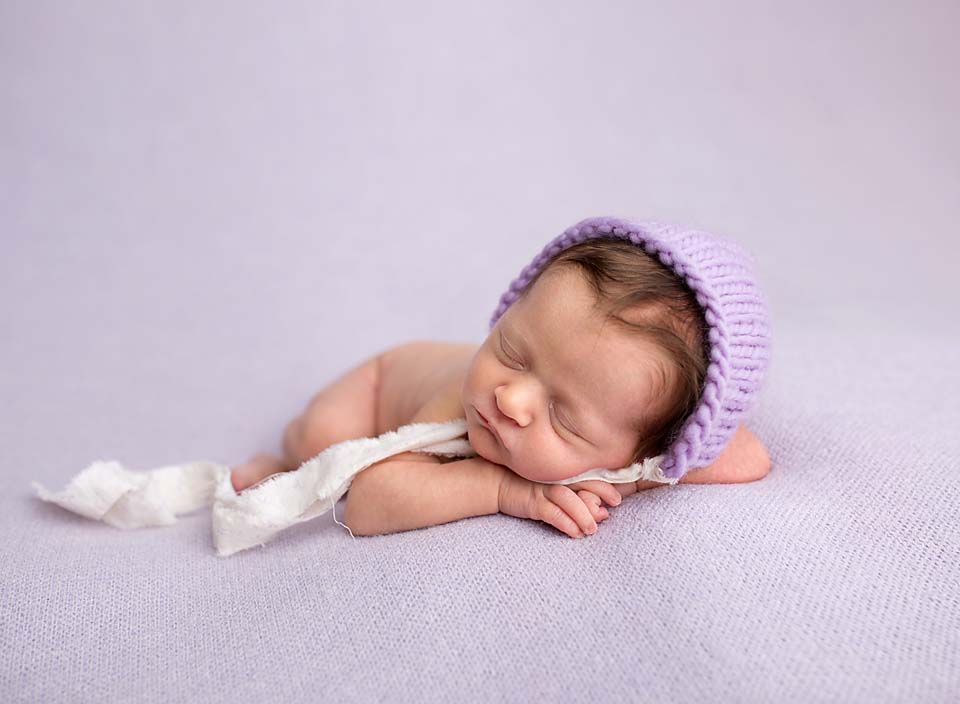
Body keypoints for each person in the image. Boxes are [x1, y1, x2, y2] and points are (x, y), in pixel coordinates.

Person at [231, 216, 773, 539]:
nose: (508, 397)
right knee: (323, 446)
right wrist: (503, 487)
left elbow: (749, 456)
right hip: (374, 390)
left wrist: (633, 474)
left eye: (563, 415)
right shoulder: (459, 401)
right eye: (511, 351)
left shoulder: (645, 447)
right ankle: (280, 463)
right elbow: (369, 502)